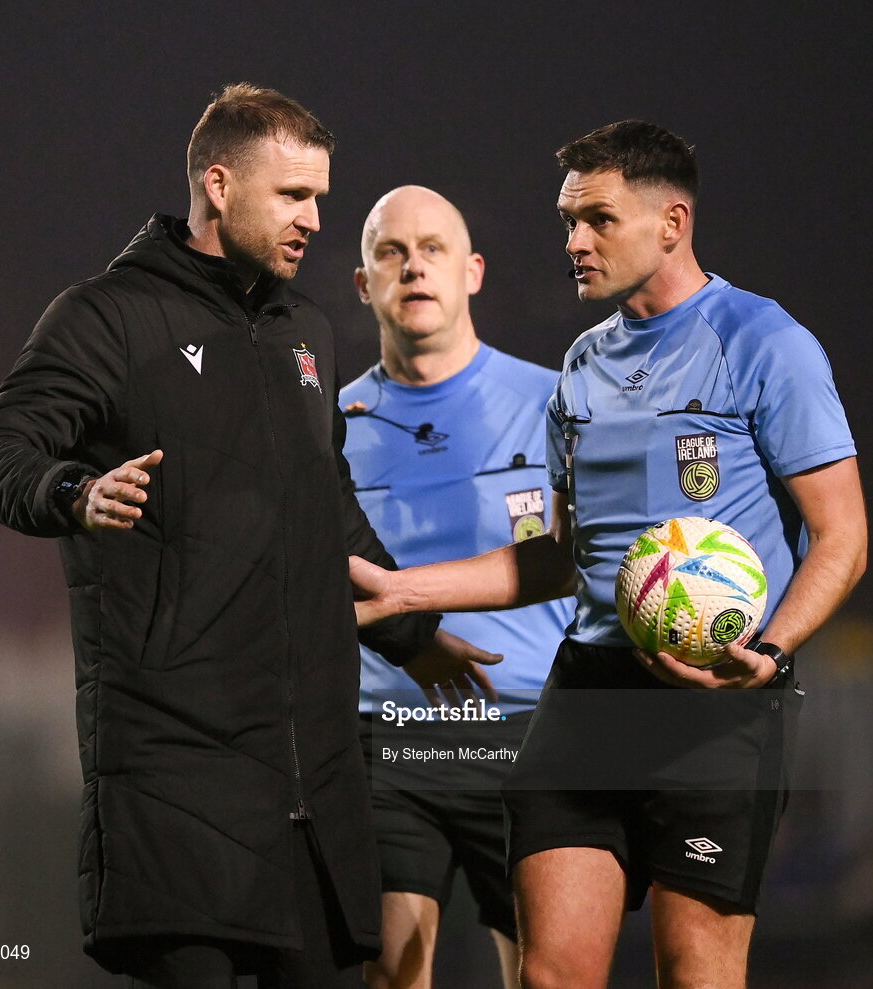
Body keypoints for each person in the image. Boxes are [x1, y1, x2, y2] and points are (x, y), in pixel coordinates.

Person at [0, 84, 495, 989]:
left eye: (320, 197)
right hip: (176, 775)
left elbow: (333, 514)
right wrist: (74, 491)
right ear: (218, 184)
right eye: (293, 196)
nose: (316, 220)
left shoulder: (308, 332)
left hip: (310, 789)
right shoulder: (107, 317)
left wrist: (412, 628)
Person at [350, 120, 868, 989]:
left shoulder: (763, 341)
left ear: (672, 222)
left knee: (694, 968)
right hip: (589, 690)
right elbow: (558, 559)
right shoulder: (583, 365)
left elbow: (842, 536)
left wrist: (769, 652)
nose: (574, 242)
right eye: (567, 221)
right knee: (550, 975)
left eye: (597, 219)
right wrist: (406, 592)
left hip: (716, 701)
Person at [341, 186, 573, 988]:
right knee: (394, 973)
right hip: (390, 734)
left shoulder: (556, 402)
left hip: (529, 734)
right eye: (391, 251)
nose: (414, 266)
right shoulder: (327, 426)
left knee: (544, 974)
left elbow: (595, 557)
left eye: (433, 248)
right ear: (363, 283)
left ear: (472, 271)